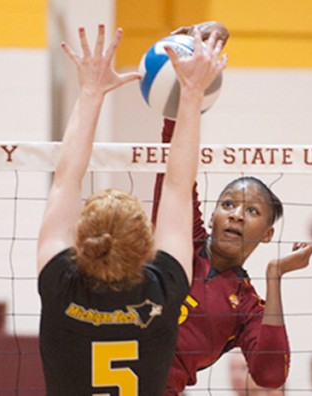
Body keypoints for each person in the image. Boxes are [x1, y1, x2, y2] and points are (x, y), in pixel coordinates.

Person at [37, 24, 226, 395]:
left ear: (81, 239)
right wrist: (191, 93)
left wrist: (90, 91)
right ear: (145, 248)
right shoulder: (163, 289)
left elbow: (64, 180)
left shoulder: (62, 285)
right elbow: (176, 188)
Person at [151, 21, 312, 396]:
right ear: (211, 215)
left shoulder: (246, 305)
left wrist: (275, 276)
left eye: (252, 211)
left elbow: (271, 376)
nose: (237, 215)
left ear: (269, 233)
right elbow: (175, 170)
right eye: (227, 204)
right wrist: (180, 83)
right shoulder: (183, 241)